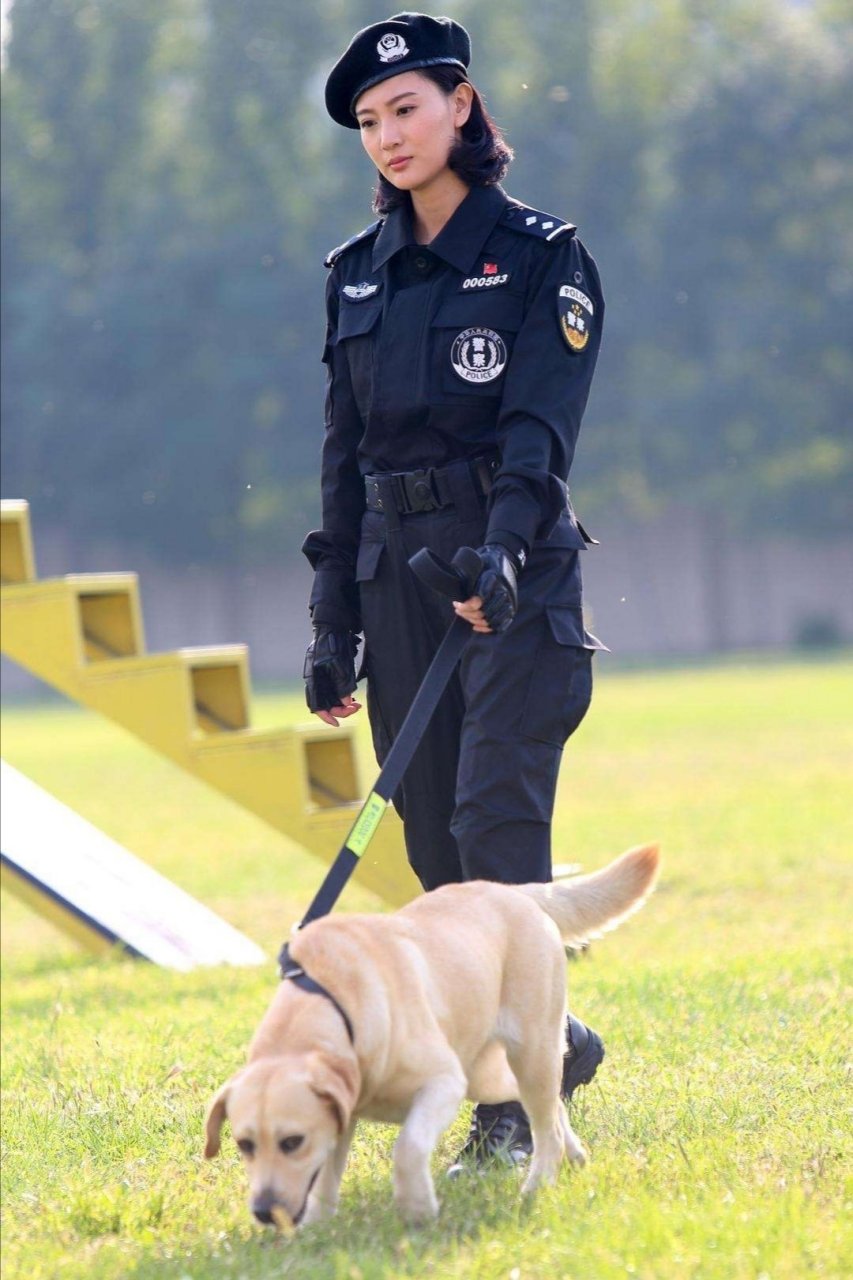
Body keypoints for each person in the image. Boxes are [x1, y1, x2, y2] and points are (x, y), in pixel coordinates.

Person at [302, 12, 606, 1173]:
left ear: (462, 105)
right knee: (433, 850)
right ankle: (551, 1034)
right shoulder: (355, 274)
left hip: (512, 575)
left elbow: (540, 423)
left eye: (407, 108)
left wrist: (511, 549)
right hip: (397, 583)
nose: (387, 134)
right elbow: (342, 452)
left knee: (491, 828)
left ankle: (503, 1109)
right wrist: (334, 619)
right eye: (369, 122)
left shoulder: (539, 255)